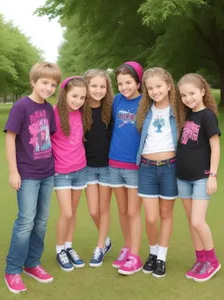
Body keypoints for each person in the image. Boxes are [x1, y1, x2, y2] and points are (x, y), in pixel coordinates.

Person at [4, 62, 61, 294]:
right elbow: (10, 138)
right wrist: (13, 171)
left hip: (48, 172)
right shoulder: (20, 107)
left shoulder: (48, 109)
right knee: (25, 221)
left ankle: (32, 264)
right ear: (33, 82)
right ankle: (13, 270)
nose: (48, 88)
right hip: (27, 174)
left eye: (53, 84)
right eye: (44, 82)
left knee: (41, 221)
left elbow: (52, 136)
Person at [176, 73, 221, 282]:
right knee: (190, 221)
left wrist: (213, 175)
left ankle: (212, 261)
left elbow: (215, 146)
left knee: (197, 220)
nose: (188, 98)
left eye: (192, 93)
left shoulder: (207, 116)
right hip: (183, 177)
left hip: (201, 177)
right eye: (184, 95)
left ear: (202, 91)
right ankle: (200, 259)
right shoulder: (186, 115)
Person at [136, 67, 178, 278]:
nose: (155, 91)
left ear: (169, 86)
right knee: (151, 218)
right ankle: (152, 253)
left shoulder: (179, 110)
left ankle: (161, 257)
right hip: (147, 168)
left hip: (171, 167)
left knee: (165, 214)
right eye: (150, 88)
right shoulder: (144, 111)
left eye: (159, 86)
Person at [109, 61, 144, 275]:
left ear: (138, 82)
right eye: (120, 83)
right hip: (114, 163)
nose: (124, 86)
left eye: (128, 82)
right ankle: (127, 246)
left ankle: (135, 255)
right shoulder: (116, 101)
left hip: (134, 166)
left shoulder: (145, 103)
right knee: (122, 211)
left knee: (133, 211)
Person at [52, 76, 88, 272]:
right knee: (66, 212)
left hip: (80, 170)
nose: (78, 101)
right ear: (64, 94)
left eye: (82, 97)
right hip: (61, 172)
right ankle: (59, 250)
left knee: (72, 213)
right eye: (74, 96)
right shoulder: (53, 114)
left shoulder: (81, 114)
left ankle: (68, 247)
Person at [83, 69, 114, 267]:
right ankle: (107, 240)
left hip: (107, 166)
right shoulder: (79, 109)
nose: (98, 90)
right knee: (93, 210)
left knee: (103, 209)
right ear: (86, 86)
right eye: (94, 86)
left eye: (102, 86)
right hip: (86, 166)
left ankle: (100, 246)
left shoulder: (111, 109)